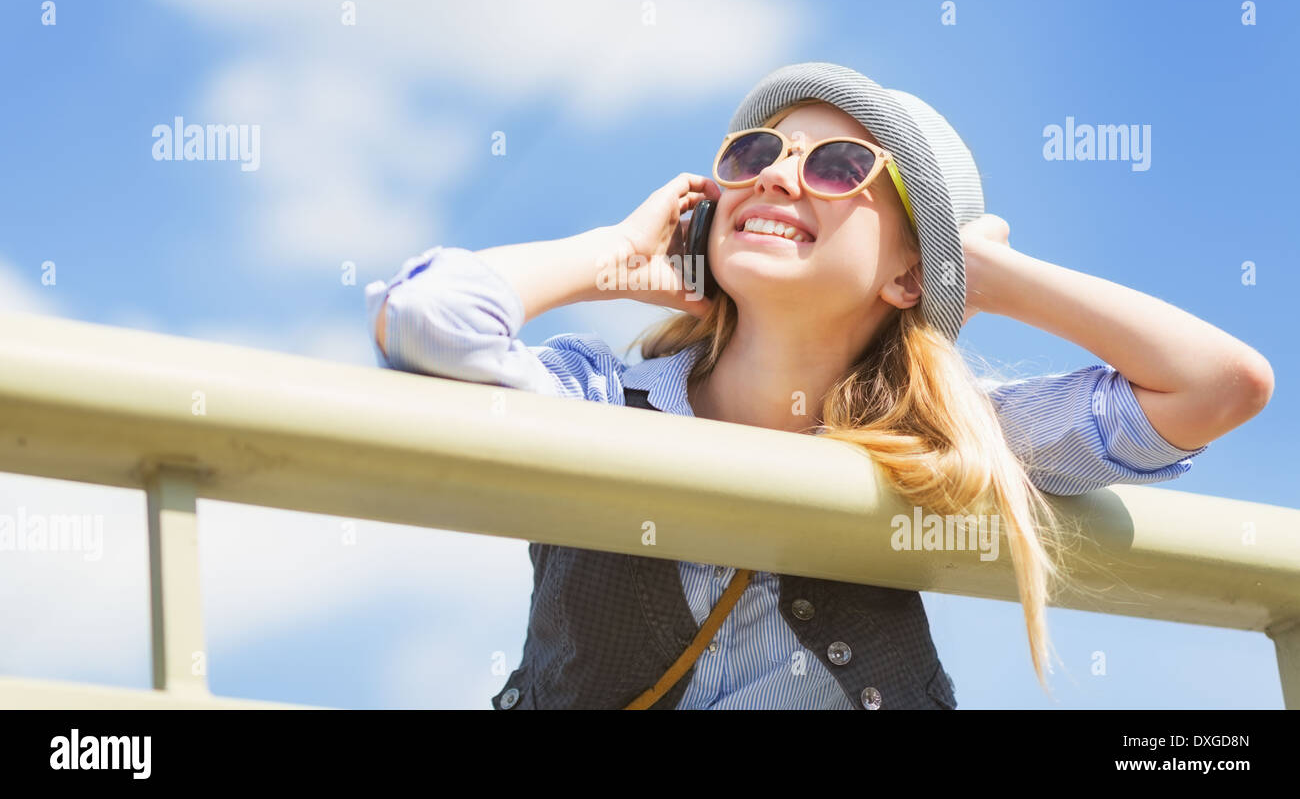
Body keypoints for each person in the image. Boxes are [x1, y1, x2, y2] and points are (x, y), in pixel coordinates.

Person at [364, 62, 1273, 709]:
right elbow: (424, 319)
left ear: (909, 273)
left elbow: (1216, 384)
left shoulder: (936, 443)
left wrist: (978, 274)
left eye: (838, 168)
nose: (778, 175)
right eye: (757, 153)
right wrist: (610, 258)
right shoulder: (602, 394)